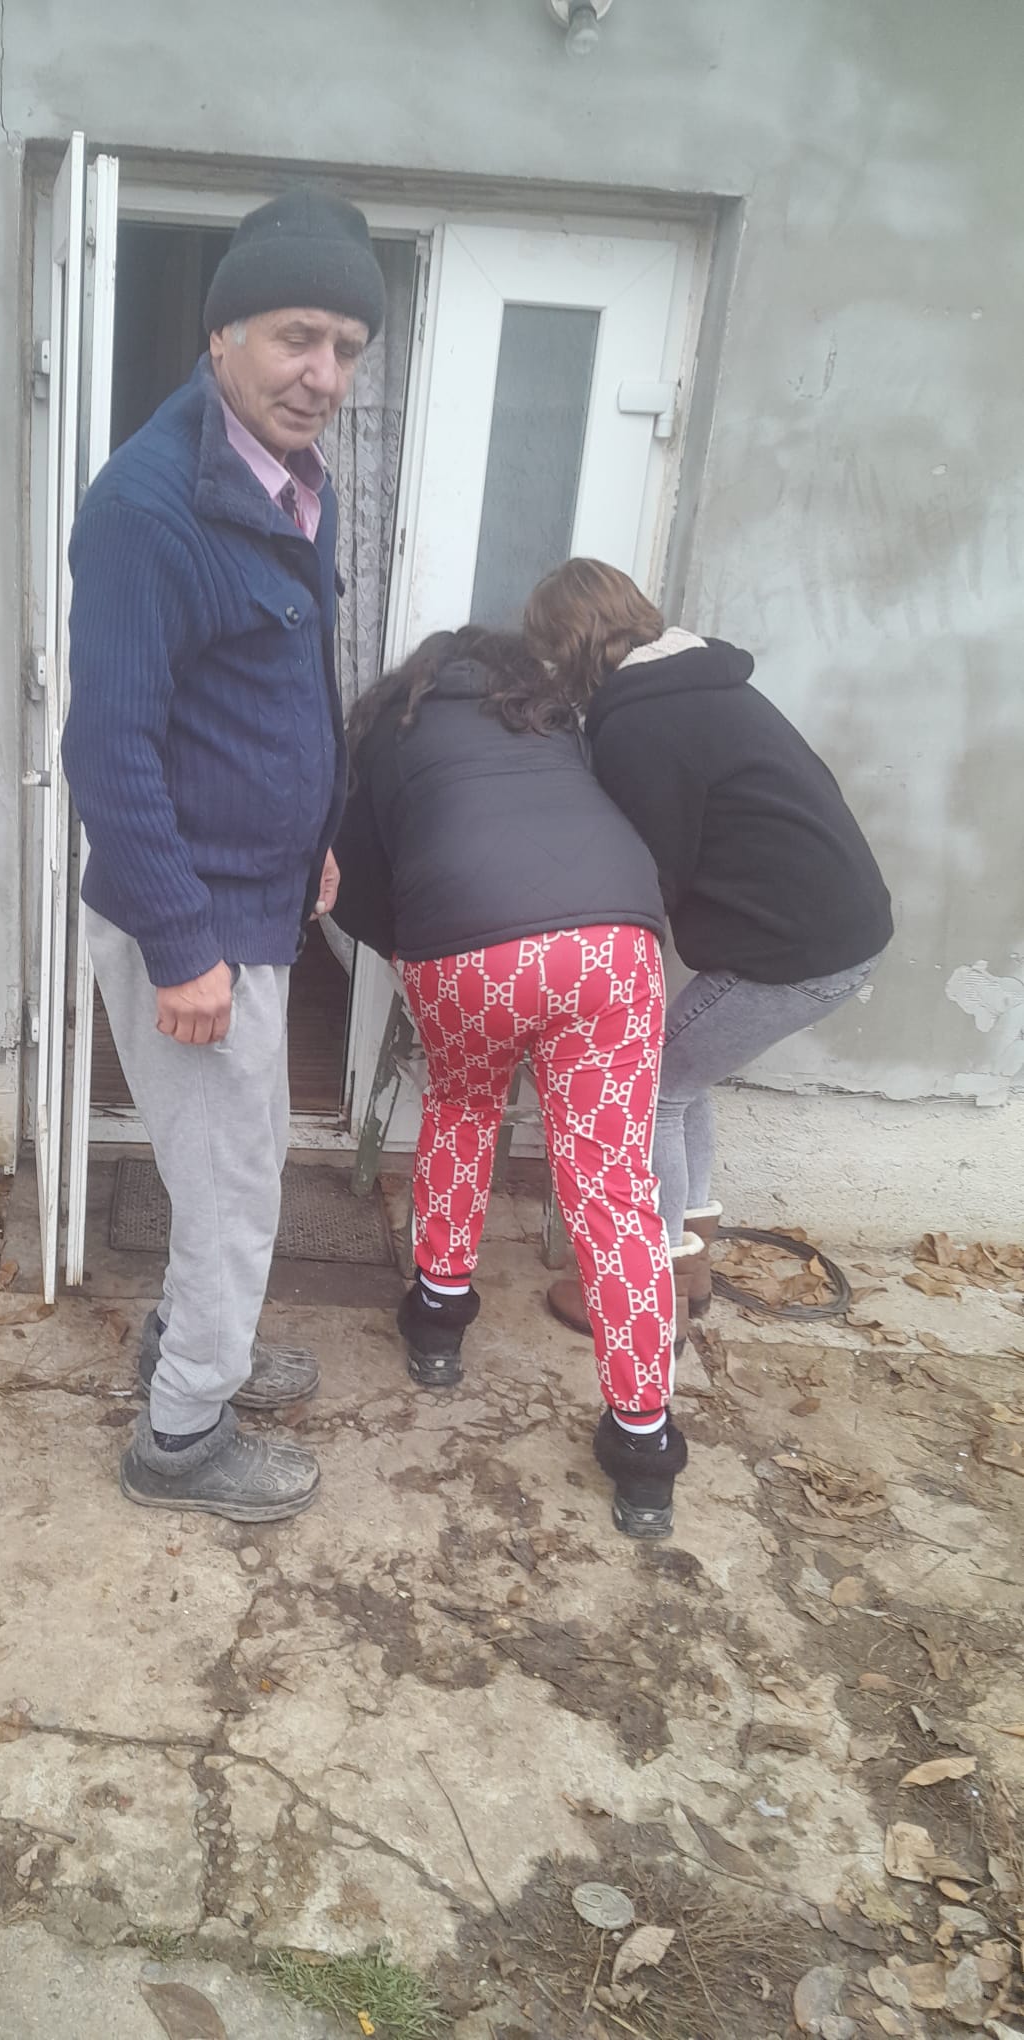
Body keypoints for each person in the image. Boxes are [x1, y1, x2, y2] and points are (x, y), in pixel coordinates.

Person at [61, 189, 386, 1522]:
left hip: (254, 897)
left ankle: (199, 1349)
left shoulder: (291, 484)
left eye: (347, 349)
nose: (322, 374)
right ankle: (182, 1436)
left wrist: (316, 843)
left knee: (223, 1171)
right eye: (297, 337)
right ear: (222, 335)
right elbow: (108, 750)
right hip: (189, 918)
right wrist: (182, 944)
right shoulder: (149, 510)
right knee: (237, 1191)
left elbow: (279, 688)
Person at [330, 625, 695, 1539]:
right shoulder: (551, 719)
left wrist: (415, 946)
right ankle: (644, 1447)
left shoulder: (390, 733)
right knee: (613, 1188)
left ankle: (438, 1322)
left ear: (418, 681)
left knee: (462, 1108)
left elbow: (357, 881)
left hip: (467, 948)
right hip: (615, 943)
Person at [522, 560, 893, 1330]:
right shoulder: (705, 685)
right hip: (830, 930)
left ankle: (645, 1288)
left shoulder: (640, 722)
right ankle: (687, 1266)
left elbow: (652, 872)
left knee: (653, 1086)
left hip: (796, 951)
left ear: (568, 644)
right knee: (682, 1077)